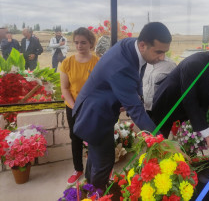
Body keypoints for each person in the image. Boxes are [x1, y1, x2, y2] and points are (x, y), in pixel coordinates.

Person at [73, 22, 172, 190]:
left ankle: (90, 188)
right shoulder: (122, 66)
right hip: (94, 116)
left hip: (99, 108)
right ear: (143, 45)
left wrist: (137, 94)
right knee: (104, 160)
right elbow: (137, 112)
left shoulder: (132, 45)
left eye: (165, 52)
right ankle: (97, 193)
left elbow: (138, 73)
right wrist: (159, 140)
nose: (162, 57)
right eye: (159, 52)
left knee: (96, 159)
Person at [152, 50, 209, 155]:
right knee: (158, 145)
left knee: (190, 149)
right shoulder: (194, 64)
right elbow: (190, 100)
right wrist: (208, 135)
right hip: (169, 103)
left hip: (196, 111)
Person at [60, 27, 99, 185]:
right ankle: (78, 169)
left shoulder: (97, 62)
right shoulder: (67, 63)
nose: (79, 46)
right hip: (73, 107)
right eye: (76, 42)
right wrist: (74, 106)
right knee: (75, 138)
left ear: (91, 43)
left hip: (92, 107)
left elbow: (101, 86)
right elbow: (64, 88)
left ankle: (96, 167)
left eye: (83, 42)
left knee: (94, 138)